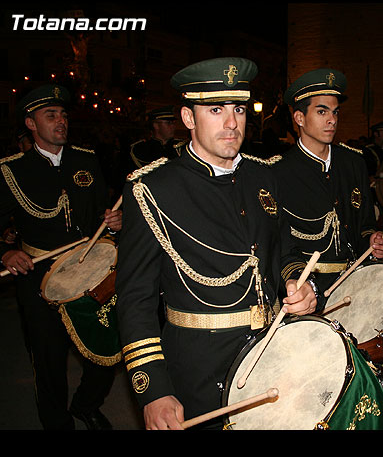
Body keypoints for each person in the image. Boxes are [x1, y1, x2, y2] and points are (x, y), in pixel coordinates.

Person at [115, 58, 319, 430]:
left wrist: (299, 284)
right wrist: (153, 390)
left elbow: (285, 251)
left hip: (273, 353)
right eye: (215, 109)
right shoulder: (152, 190)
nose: (231, 123)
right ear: (188, 118)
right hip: (199, 372)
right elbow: (135, 300)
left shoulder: (264, 175)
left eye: (239, 109)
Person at [0, 84, 122, 429]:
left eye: (63, 115)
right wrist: (6, 252)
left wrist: (114, 223)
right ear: (31, 123)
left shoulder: (86, 159)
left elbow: (103, 214)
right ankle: (57, 424)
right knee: (48, 358)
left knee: (106, 348)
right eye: (50, 115)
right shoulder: (12, 170)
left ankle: (86, 404)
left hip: (91, 271)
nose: (61, 121)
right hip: (40, 277)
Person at [272, 68, 383, 304]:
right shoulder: (277, 173)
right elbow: (278, 245)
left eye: (335, 112)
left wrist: (372, 240)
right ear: (299, 118)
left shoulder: (354, 163)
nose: (332, 120)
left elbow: (364, 224)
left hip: (357, 283)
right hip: (308, 291)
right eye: (322, 111)